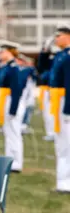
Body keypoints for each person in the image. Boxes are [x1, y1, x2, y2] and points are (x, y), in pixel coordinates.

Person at [0, 40, 26, 173]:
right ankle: (10, 160)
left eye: (3, 51)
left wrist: (13, 109)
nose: (0, 53)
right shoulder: (6, 66)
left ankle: (16, 163)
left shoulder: (14, 68)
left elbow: (17, 90)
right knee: (8, 133)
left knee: (14, 133)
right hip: (5, 100)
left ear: (9, 52)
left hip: (11, 101)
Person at [50, 24, 70, 193]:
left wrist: (68, 110)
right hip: (59, 100)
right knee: (61, 144)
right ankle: (62, 181)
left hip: (65, 101)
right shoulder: (61, 55)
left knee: (66, 145)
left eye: (59, 35)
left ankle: (65, 182)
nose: (56, 39)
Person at [37, 37, 56, 141]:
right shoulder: (51, 57)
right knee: (48, 112)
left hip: (61, 89)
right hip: (50, 88)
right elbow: (41, 67)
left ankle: (54, 132)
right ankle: (51, 132)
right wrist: (45, 51)